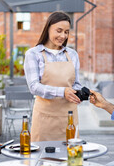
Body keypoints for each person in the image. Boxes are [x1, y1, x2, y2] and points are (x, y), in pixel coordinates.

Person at [24, 11, 82, 142]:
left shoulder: (72, 54)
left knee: (70, 157)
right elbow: (34, 87)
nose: (63, 36)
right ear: (48, 28)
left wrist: (79, 93)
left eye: (66, 32)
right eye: (59, 30)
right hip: (45, 118)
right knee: (42, 159)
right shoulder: (33, 54)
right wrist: (63, 92)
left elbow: (76, 83)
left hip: (69, 118)